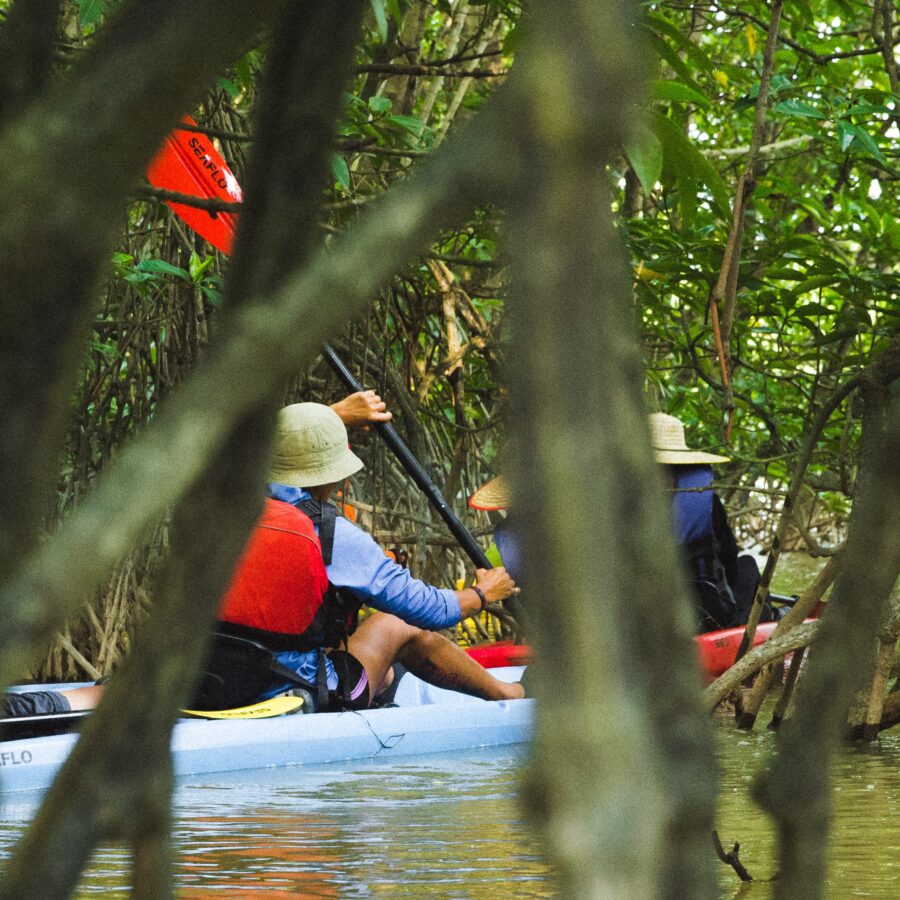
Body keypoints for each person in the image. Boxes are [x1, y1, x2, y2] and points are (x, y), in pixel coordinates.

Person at [254, 402, 525, 709]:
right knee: (397, 624)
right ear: (329, 476)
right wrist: (482, 593)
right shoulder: (329, 534)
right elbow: (430, 610)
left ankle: (381, 688)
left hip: (216, 682)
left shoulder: (223, 517)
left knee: (380, 675)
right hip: (293, 687)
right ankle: (511, 694)